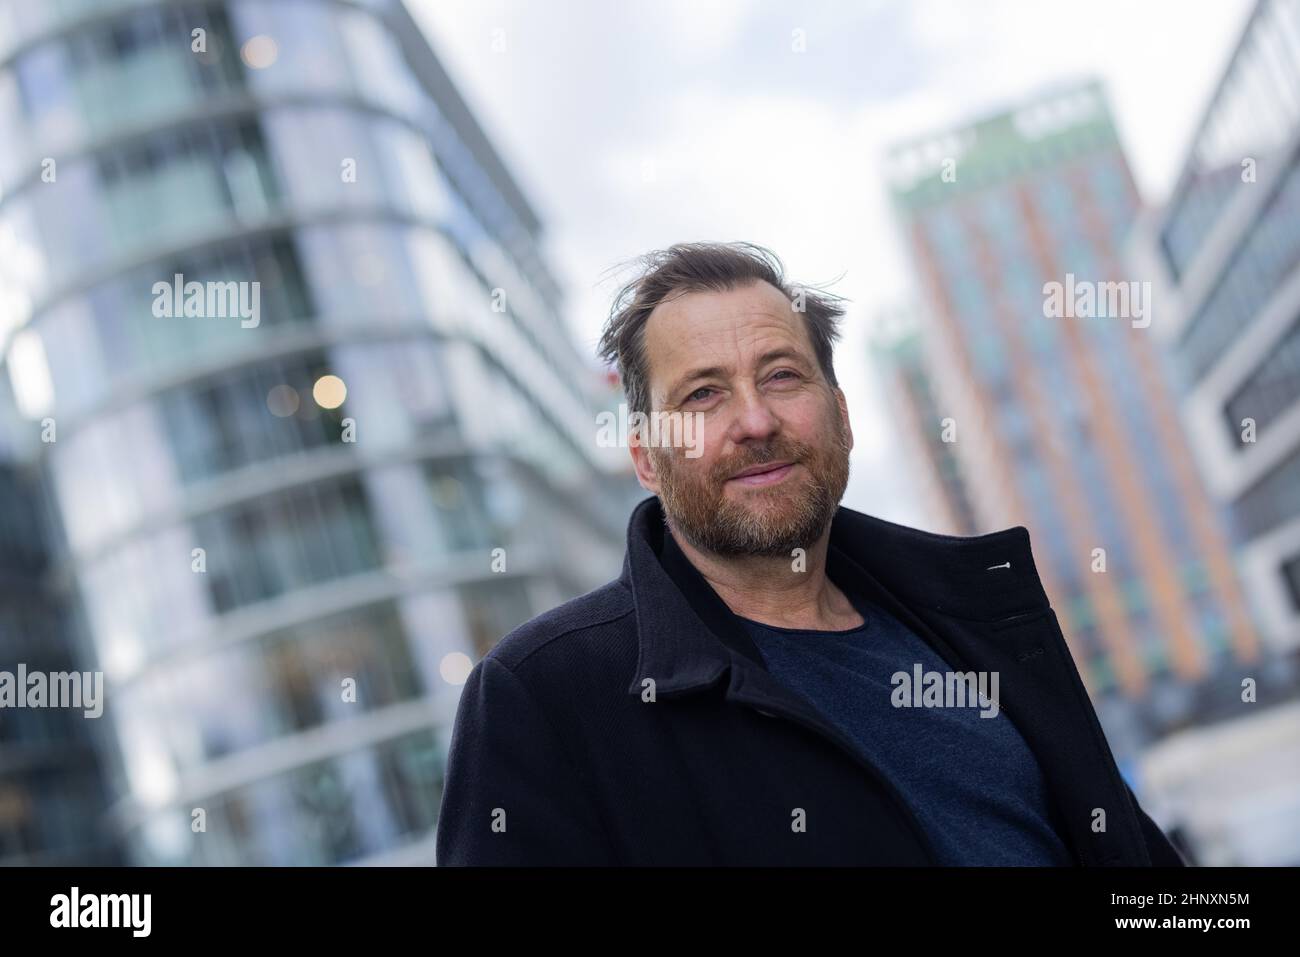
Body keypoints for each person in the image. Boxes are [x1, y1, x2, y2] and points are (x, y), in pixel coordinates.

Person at [435, 240, 1186, 866]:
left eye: (782, 375)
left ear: (843, 416)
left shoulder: (970, 619)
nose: (755, 420)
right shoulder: (544, 696)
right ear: (645, 457)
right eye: (702, 395)